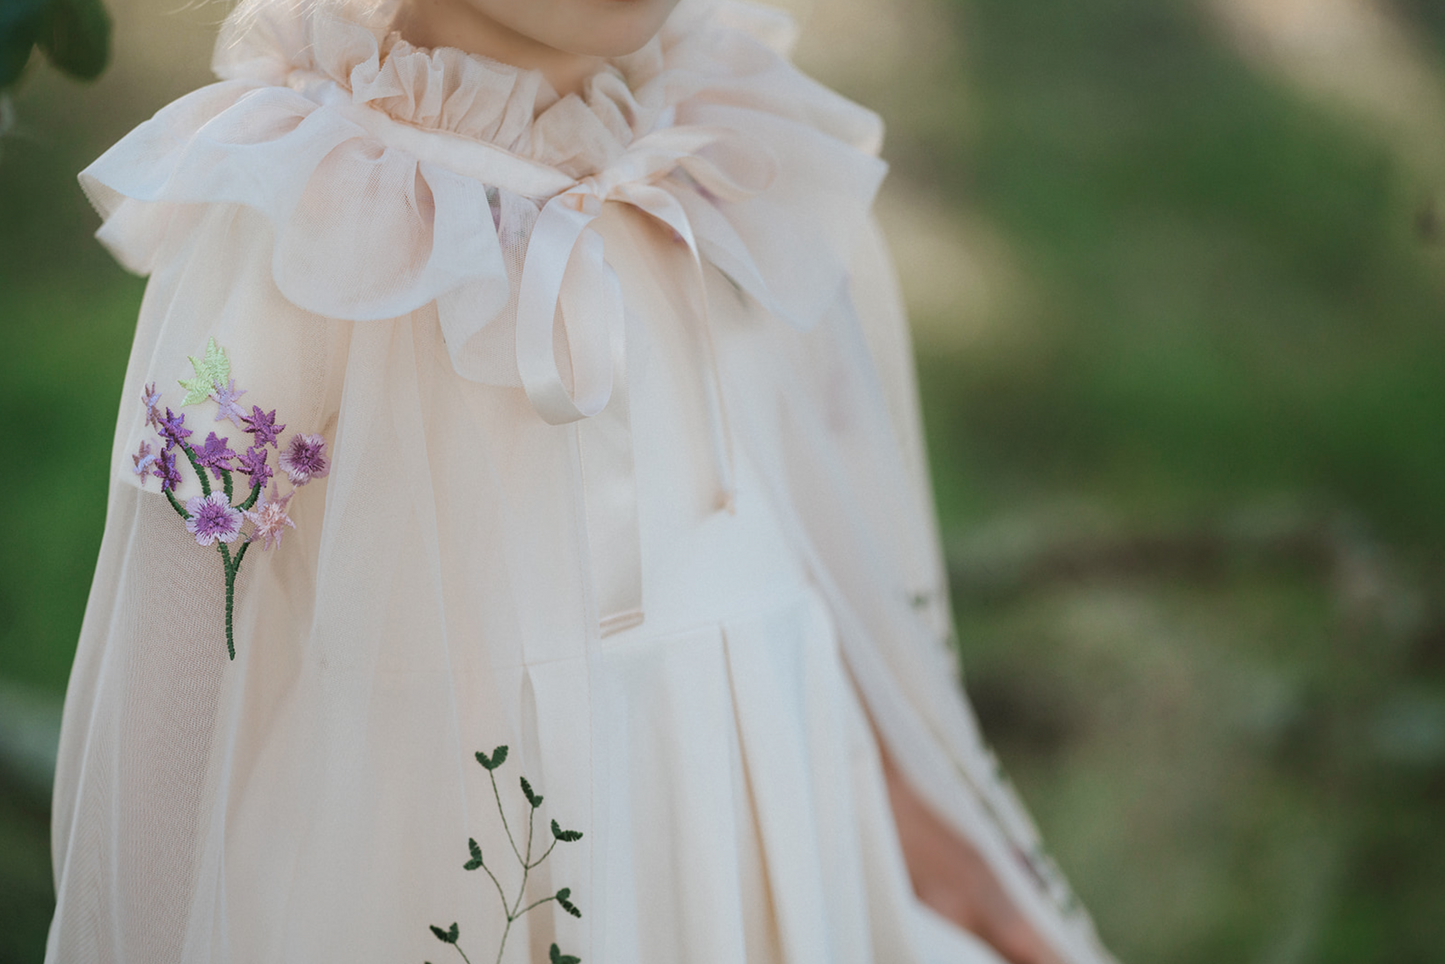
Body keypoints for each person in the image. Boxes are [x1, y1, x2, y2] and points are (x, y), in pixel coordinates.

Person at [46, 0, 1119, 962]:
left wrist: (925, 817)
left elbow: (830, 549)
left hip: (763, 834)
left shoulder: (722, 142)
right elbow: (173, 678)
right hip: (457, 856)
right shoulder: (322, 201)